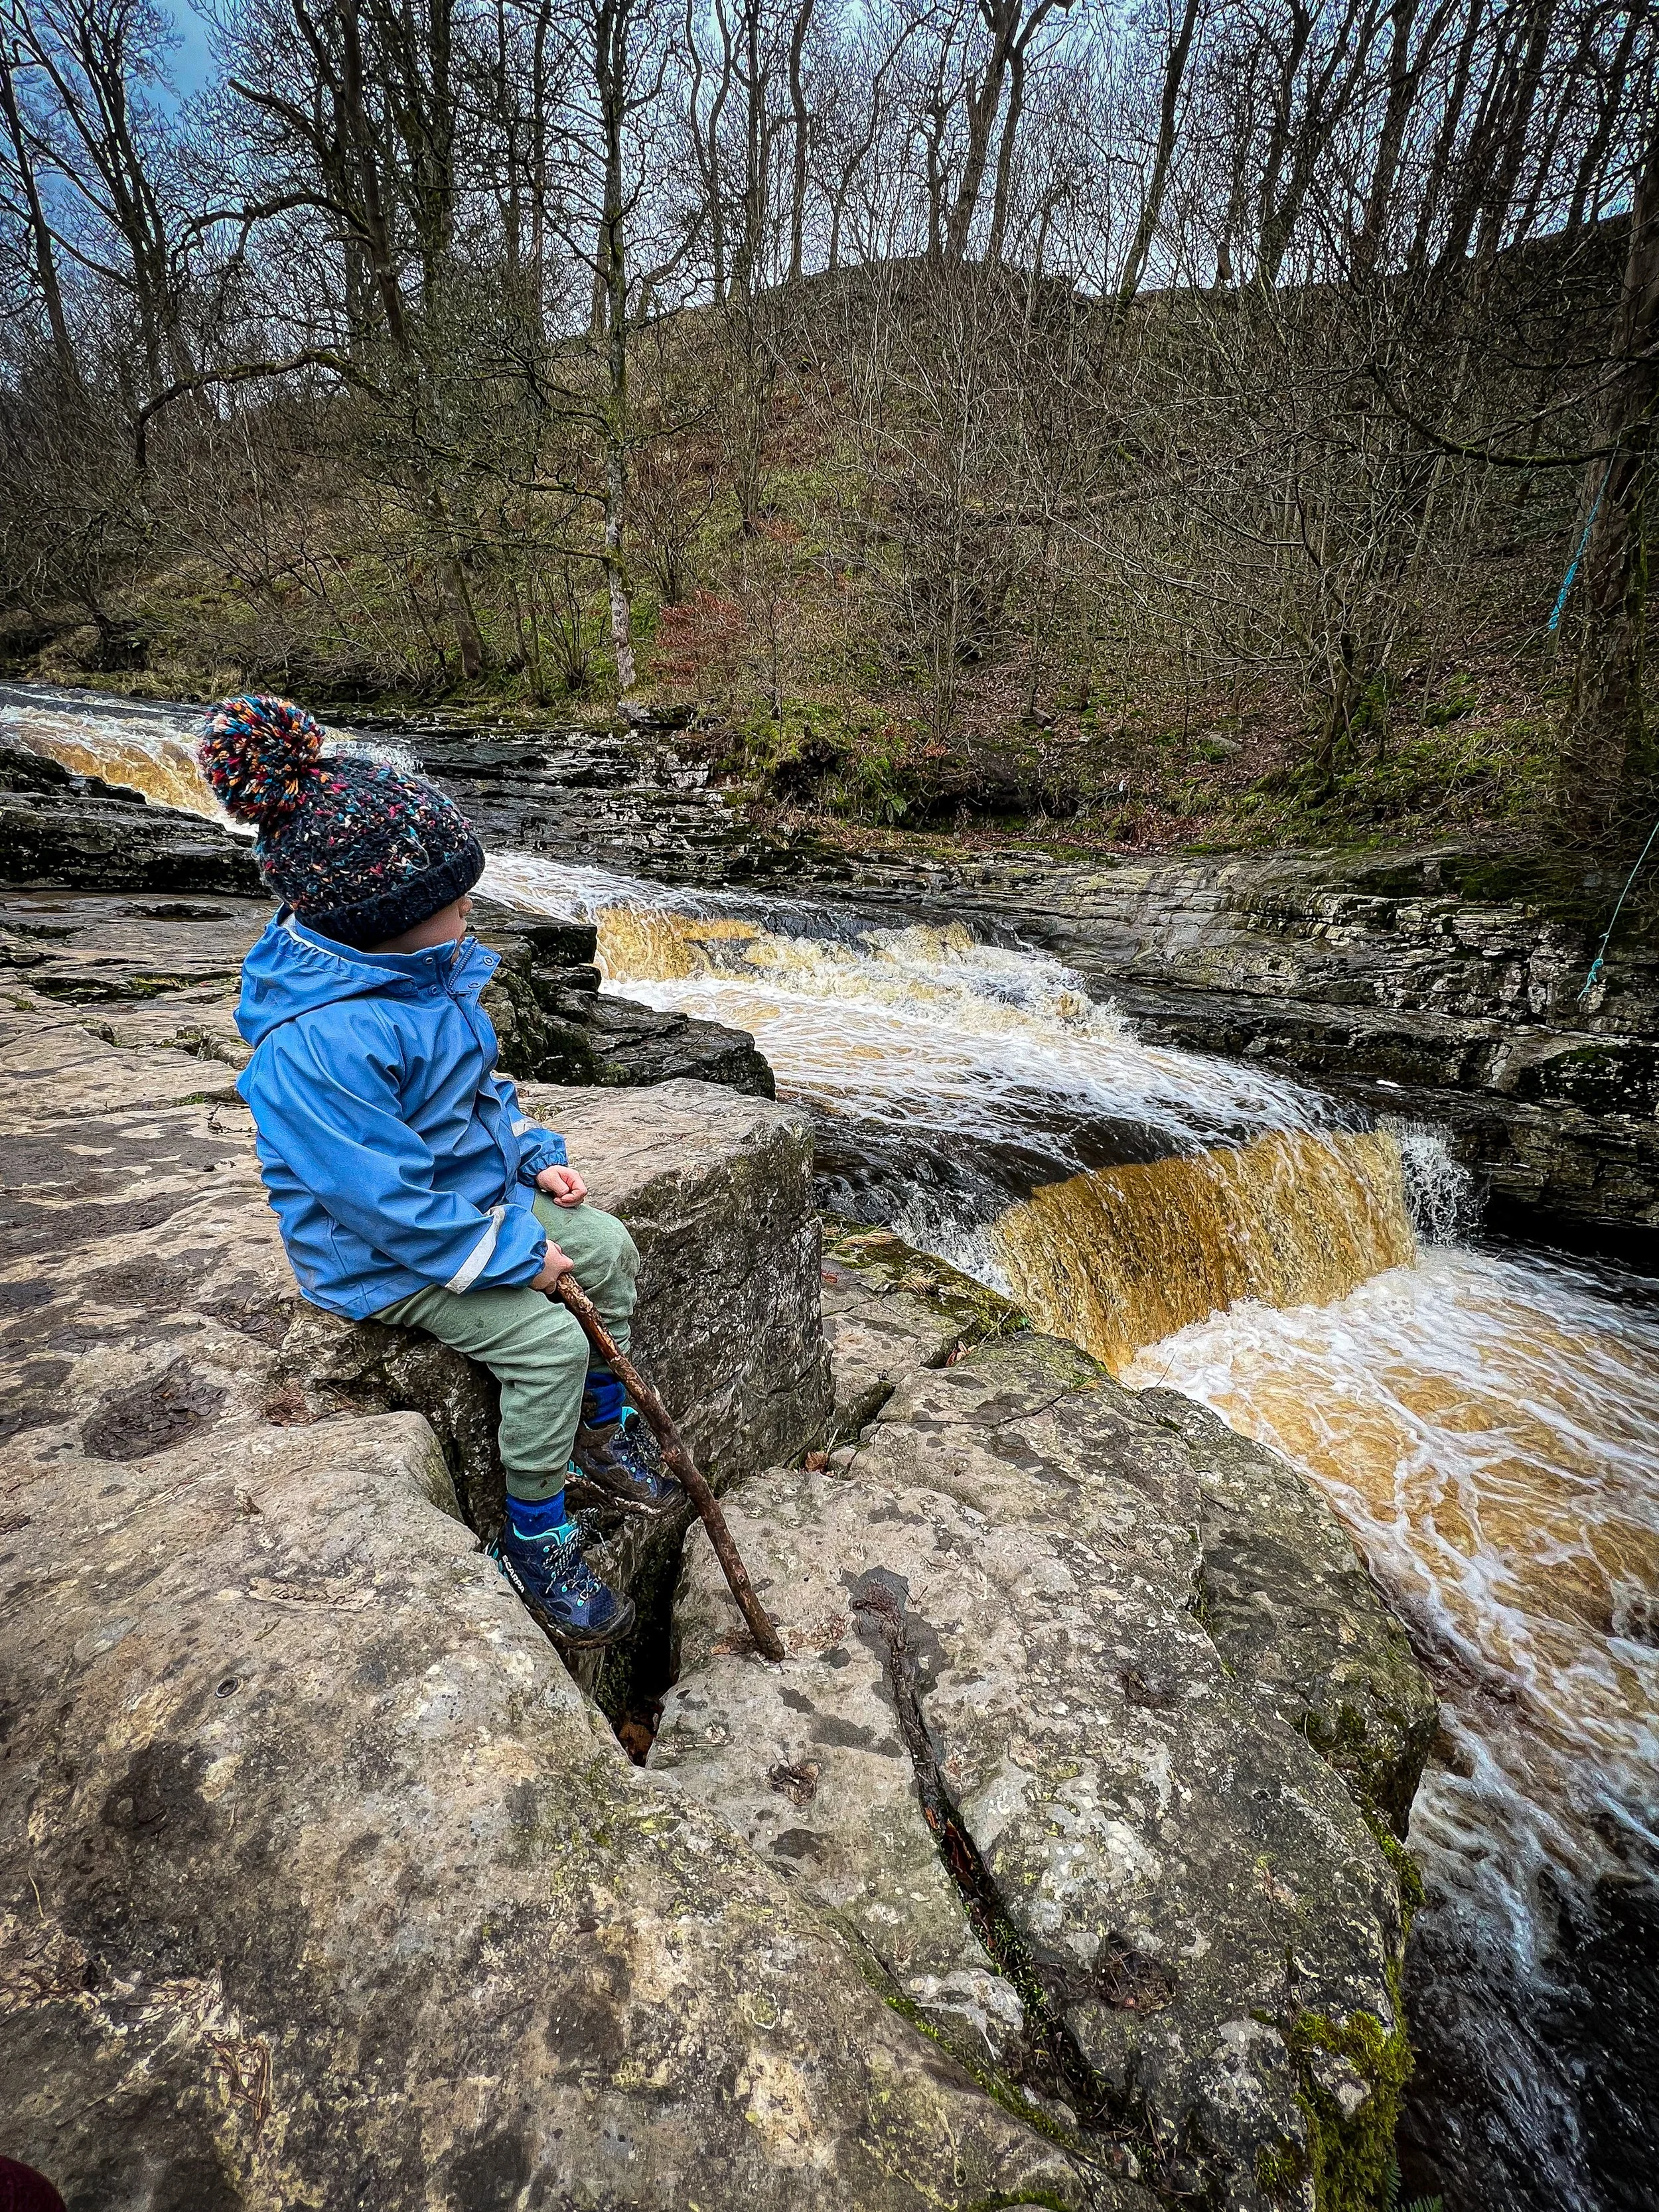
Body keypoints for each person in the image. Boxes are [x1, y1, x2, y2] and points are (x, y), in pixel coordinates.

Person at [199, 694, 683, 1649]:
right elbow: (376, 1199)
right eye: (452, 901)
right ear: (382, 919)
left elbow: (477, 1091)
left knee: (610, 1249)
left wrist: (533, 1156)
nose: (470, 911)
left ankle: (601, 1418)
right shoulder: (318, 1044)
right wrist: (512, 1255)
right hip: (386, 1255)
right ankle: (532, 1536)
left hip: (469, 1204)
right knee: (543, 1344)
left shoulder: (418, 974)